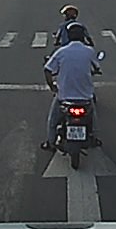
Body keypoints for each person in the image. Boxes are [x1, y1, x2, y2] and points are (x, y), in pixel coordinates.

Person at [42, 22, 102, 150]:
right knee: (94, 120)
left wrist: (52, 86)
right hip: (85, 97)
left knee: (53, 122)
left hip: (64, 97)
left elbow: (47, 69)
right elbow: (96, 67)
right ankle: (95, 139)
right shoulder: (89, 51)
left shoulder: (61, 52)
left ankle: (50, 142)